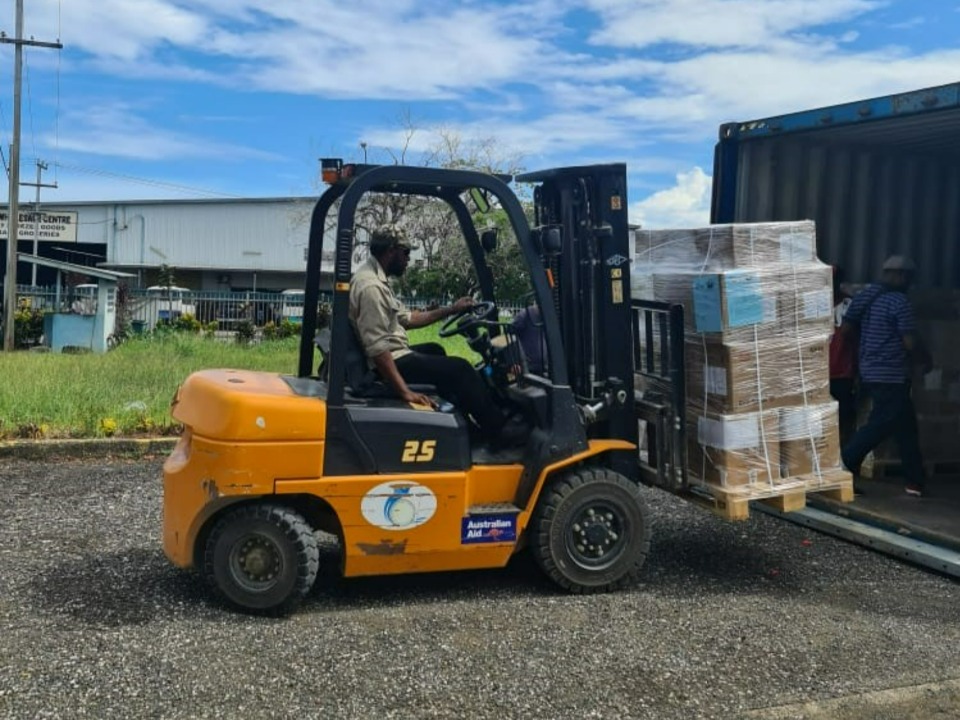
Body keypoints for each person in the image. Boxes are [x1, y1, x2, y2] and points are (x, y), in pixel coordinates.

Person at [349, 226, 505, 443]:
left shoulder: (376, 278)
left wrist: (452, 309)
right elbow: (377, 348)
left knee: (436, 350)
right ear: (392, 250)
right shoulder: (371, 287)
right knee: (461, 369)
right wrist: (404, 392)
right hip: (384, 364)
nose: (408, 259)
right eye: (406, 253)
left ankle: (463, 427)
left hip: (391, 355)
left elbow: (409, 319)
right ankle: (499, 431)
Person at [839, 255, 932, 497]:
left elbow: (846, 330)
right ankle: (843, 465)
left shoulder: (864, 298)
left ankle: (915, 481)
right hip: (891, 374)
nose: (909, 283)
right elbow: (909, 342)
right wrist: (925, 358)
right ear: (901, 276)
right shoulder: (899, 302)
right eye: (908, 278)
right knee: (880, 424)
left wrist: (868, 349)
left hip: (869, 370)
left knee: (905, 427)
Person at [828, 267, 857, 446]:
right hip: (818, 373)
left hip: (841, 371)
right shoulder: (810, 302)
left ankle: (842, 454)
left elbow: (856, 337)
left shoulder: (849, 304)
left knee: (843, 414)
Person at [511, 301, 547, 375]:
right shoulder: (524, 315)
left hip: (546, 367)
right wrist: (516, 361)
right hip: (529, 368)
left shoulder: (548, 317)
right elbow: (511, 336)